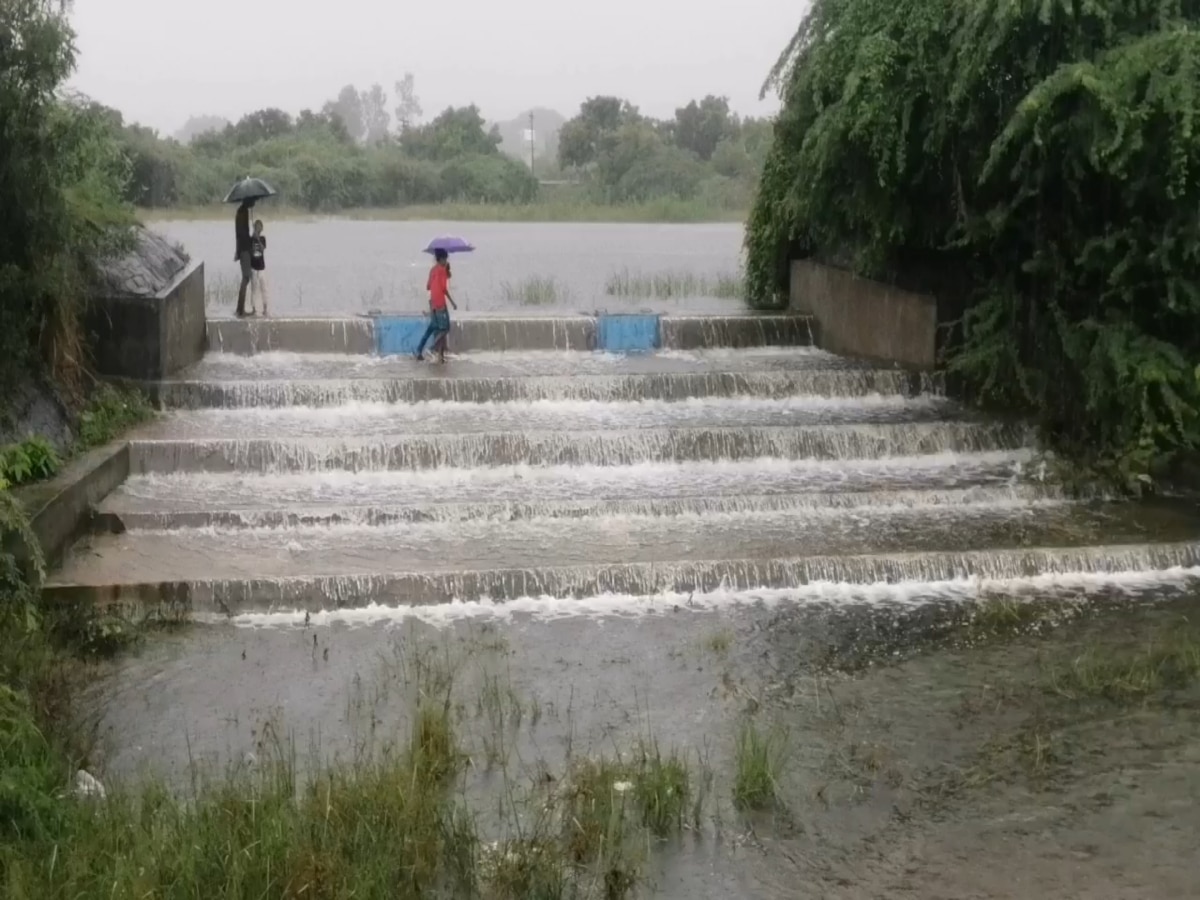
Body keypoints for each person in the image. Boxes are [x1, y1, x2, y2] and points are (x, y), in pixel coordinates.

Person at [415, 248, 457, 362]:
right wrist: (452, 303)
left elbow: (428, 286)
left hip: (432, 303)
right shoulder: (441, 270)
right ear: (441, 258)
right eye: (445, 258)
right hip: (440, 304)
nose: (446, 260)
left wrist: (446, 271)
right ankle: (433, 348)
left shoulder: (433, 270)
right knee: (445, 328)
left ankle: (423, 351)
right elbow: (444, 289)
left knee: (432, 328)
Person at [233, 198, 255, 317]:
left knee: (246, 278)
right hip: (244, 249)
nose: (254, 202)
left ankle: (239, 309)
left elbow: (239, 234)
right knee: (246, 278)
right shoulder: (243, 213)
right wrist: (251, 239)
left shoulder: (241, 211)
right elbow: (242, 234)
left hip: (242, 249)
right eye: (253, 200)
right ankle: (240, 310)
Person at [249, 219, 268, 316]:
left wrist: (257, 239)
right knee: (254, 289)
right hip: (253, 267)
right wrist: (253, 239)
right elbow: (251, 252)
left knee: (264, 288)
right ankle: (254, 308)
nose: (258, 228)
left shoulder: (263, 239)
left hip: (261, 267)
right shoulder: (251, 239)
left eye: (259, 226)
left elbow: (262, 249)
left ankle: (265, 308)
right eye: (256, 226)